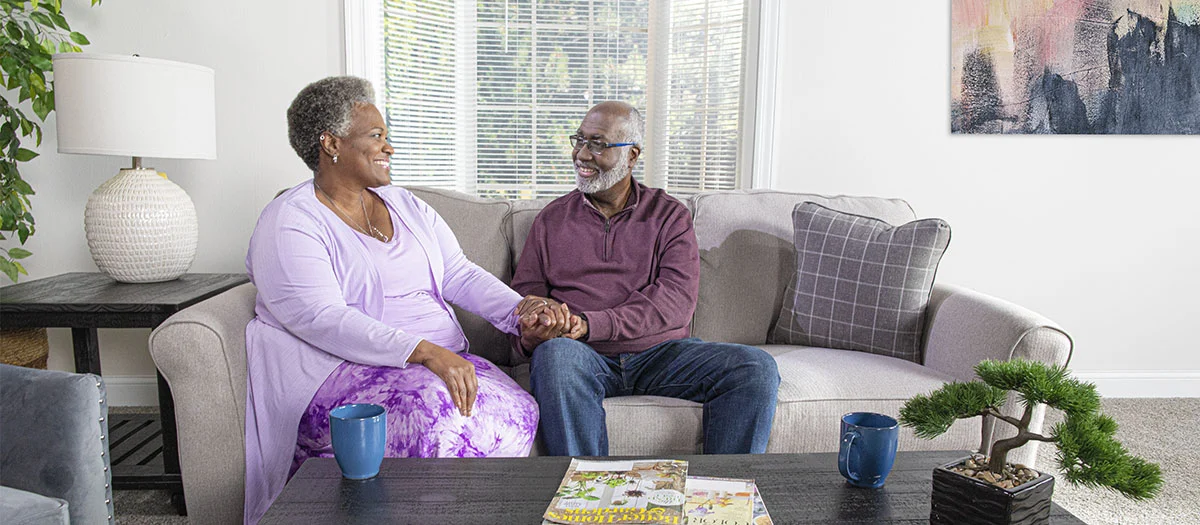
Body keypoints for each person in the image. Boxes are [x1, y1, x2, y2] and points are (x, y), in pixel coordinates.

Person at [243, 76, 551, 523]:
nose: (389, 148)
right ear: (331, 142)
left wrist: (519, 311)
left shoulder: (405, 204)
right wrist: (424, 352)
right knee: (431, 415)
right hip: (344, 372)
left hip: (431, 363)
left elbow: (458, 273)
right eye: (376, 136)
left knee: (515, 405)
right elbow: (319, 316)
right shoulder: (290, 219)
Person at [510, 101, 781, 457]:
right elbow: (524, 300)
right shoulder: (551, 220)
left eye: (598, 144)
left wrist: (590, 324)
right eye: (579, 140)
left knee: (755, 367)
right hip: (580, 356)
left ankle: (721, 497)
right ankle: (585, 501)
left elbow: (674, 303)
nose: (581, 154)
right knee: (555, 356)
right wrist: (533, 330)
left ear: (632, 155)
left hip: (662, 354)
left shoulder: (669, 216)